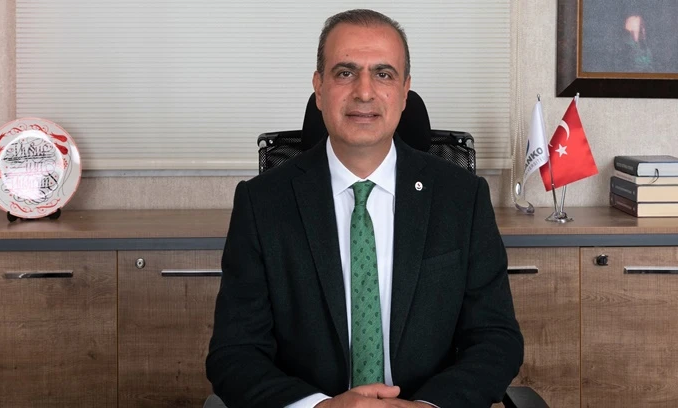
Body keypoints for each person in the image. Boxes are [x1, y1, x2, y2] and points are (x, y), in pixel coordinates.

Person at [206, 9, 523, 408]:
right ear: (319, 88)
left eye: (384, 74)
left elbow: (495, 338)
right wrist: (319, 406)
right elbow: (235, 353)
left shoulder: (462, 198)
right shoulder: (261, 203)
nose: (364, 92)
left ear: (405, 91)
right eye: (345, 73)